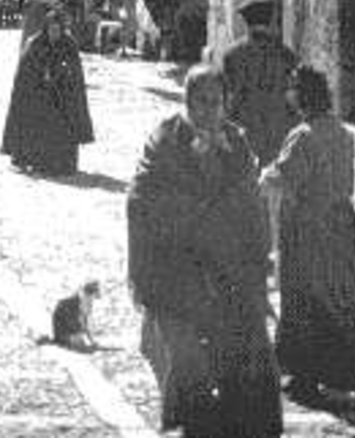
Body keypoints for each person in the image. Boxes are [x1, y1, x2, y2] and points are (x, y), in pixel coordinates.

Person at [127, 64, 282, 438]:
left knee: (253, 355)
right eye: (202, 102)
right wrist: (199, 214)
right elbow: (142, 201)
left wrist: (257, 258)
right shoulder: (165, 141)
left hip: (229, 269)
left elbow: (251, 203)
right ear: (188, 102)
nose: (210, 111)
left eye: (217, 102)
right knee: (189, 362)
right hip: (178, 271)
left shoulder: (236, 141)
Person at [260, 66, 355, 408]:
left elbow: (285, 176)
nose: (288, 94)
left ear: (301, 95)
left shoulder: (303, 136)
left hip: (308, 228)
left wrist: (262, 176)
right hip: (341, 224)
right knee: (345, 293)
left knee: (305, 296)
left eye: (292, 89)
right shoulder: (342, 132)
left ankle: (307, 375)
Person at [0, 7, 95, 177]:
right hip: (37, 96)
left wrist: (61, 74)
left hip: (61, 96)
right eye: (51, 29)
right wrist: (43, 77)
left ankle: (61, 161)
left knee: (64, 118)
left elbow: (75, 77)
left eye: (57, 30)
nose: (54, 33)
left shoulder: (69, 44)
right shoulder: (34, 44)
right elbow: (25, 80)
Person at [221, 0, 298, 167]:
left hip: (244, 131)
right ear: (270, 20)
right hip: (278, 131)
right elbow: (293, 99)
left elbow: (228, 98)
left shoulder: (232, 55)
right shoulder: (287, 55)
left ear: (246, 21)